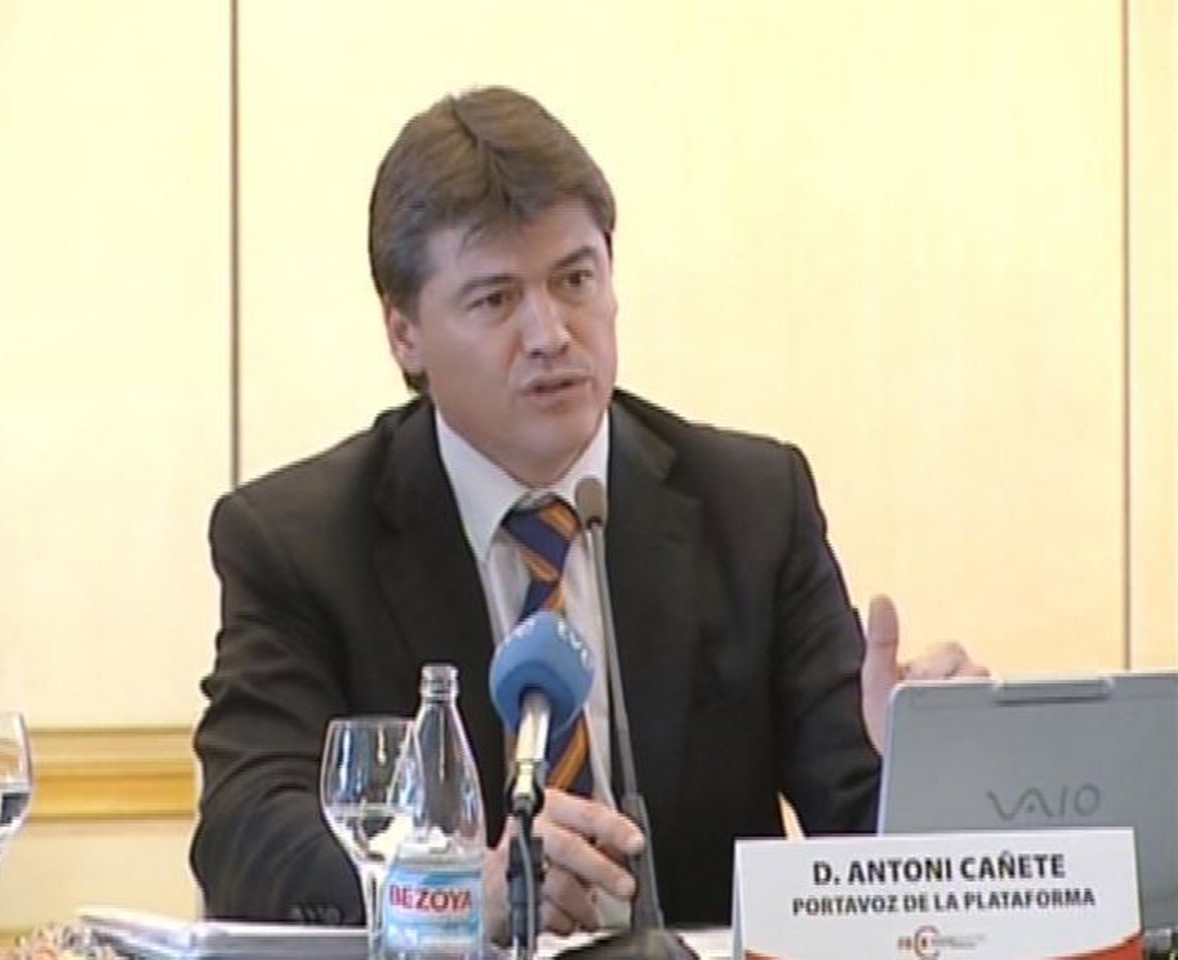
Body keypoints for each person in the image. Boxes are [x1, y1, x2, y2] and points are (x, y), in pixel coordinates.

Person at [190, 85, 985, 938]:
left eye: (575, 279)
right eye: (495, 299)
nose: (550, 333)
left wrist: (933, 769)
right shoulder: (301, 542)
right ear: (404, 333)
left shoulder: (752, 505)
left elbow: (865, 826)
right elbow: (247, 833)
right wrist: (461, 894)